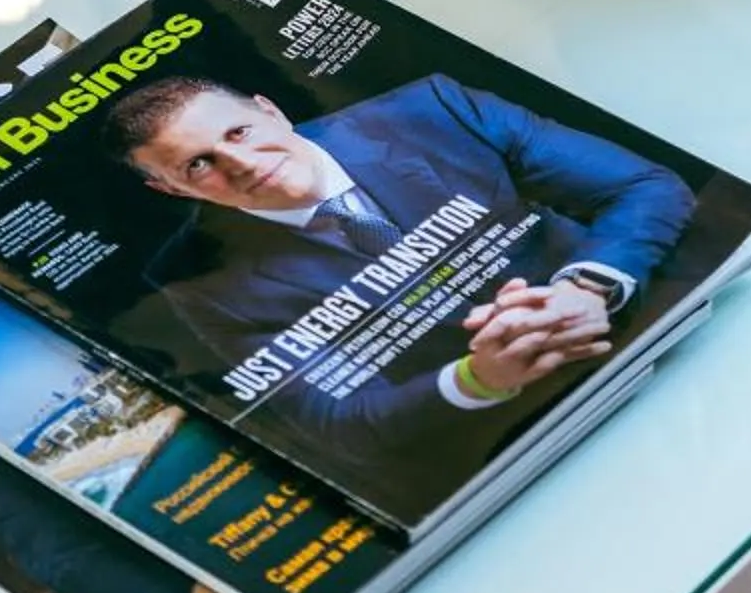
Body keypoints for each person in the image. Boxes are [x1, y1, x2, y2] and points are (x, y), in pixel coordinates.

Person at [106, 71, 696, 519]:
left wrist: (587, 288)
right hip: (525, 449)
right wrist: (479, 377)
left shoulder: (427, 111)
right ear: (168, 188)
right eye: (199, 164)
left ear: (270, 110)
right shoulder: (195, 280)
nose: (240, 163)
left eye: (238, 132)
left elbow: (643, 186)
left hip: (655, 333)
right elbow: (336, 420)